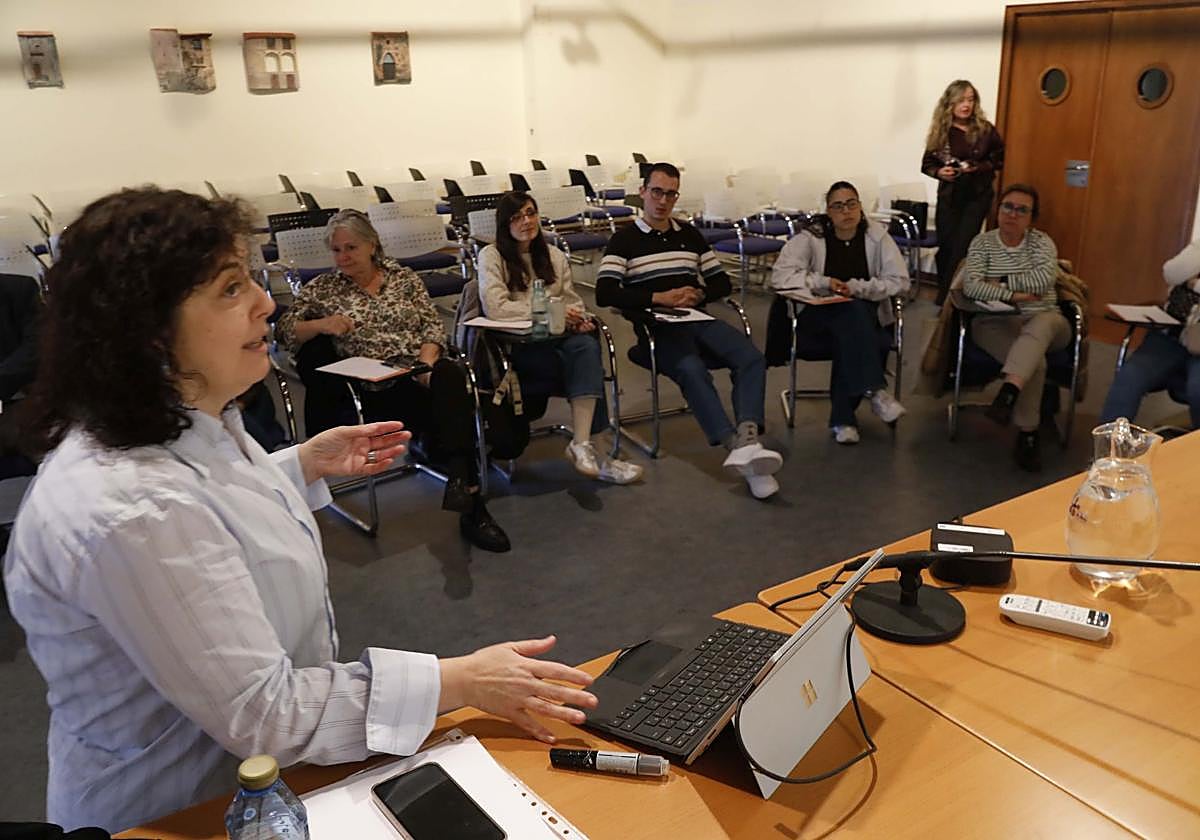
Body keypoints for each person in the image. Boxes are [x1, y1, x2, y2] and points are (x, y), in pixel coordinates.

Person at [2, 188, 597, 834]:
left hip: (243, 784)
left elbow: (210, 503)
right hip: (173, 811)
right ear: (147, 334)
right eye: (232, 290)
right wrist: (462, 681)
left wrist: (299, 464)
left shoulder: (186, 422)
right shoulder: (130, 509)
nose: (265, 303)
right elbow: (267, 712)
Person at [275, 209, 509, 553]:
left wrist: (426, 364)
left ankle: (461, 480)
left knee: (451, 375)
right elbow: (283, 331)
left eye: (350, 248)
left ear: (372, 245)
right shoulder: (323, 289)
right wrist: (322, 325)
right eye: (337, 250)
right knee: (453, 405)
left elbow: (432, 327)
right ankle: (470, 496)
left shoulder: (404, 279)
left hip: (416, 372)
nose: (343, 257)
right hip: (369, 386)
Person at [596, 163, 784, 499]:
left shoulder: (689, 234)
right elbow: (605, 291)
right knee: (690, 368)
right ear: (643, 193)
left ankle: (748, 438)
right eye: (657, 192)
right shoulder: (624, 239)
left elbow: (720, 281)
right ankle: (733, 444)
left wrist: (698, 293)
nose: (663, 200)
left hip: (697, 318)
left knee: (751, 357)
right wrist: (657, 297)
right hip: (657, 328)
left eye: (670, 194)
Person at [477, 191, 643, 484]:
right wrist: (549, 311)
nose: (526, 221)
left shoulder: (552, 255)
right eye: (516, 217)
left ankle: (583, 444)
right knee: (587, 363)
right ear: (504, 224)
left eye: (530, 213)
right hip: (519, 347)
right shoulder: (492, 256)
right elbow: (497, 308)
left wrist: (576, 317)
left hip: (556, 340)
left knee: (586, 346)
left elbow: (573, 301)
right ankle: (600, 455)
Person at [770, 181, 910, 444]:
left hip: (864, 319)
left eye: (851, 204)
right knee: (855, 323)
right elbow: (781, 277)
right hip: (816, 319)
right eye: (838, 206)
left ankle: (844, 421)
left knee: (853, 318)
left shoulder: (877, 237)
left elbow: (900, 281)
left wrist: (858, 288)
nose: (846, 211)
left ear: (860, 207)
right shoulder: (811, 237)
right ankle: (874, 391)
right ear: (829, 211)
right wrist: (824, 282)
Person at [961, 183, 1069, 471]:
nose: (1013, 214)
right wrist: (1015, 294)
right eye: (1007, 206)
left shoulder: (1042, 243)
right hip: (994, 321)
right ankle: (1027, 434)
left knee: (1041, 326)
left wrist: (999, 283)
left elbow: (1044, 282)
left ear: (1032, 218)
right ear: (998, 209)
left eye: (1022, 210)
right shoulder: (982, 243)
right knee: (1036, 362)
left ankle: (1010, 392)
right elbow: (971, 286)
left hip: (1047, 319)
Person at [1100, 237, 1200, 427]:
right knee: (1129, 378)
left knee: (1198, 389)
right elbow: (1172, 273)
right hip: (1171, 337)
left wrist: (1192, 284)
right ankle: (1108, 451)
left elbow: (1184, 281)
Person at [922, 79, 1005, 305]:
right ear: (950, 103)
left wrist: (976, 167)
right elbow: (927, 164)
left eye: (970, 99)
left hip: (977, 196)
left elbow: (998, 159)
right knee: (947, 246)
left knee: (963, 247)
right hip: (949, 196)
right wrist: (940, 172)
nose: (966, 105)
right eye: (961, 100)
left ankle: (949, 299)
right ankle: (946, 292)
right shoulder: (942, 130)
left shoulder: (985, 129)